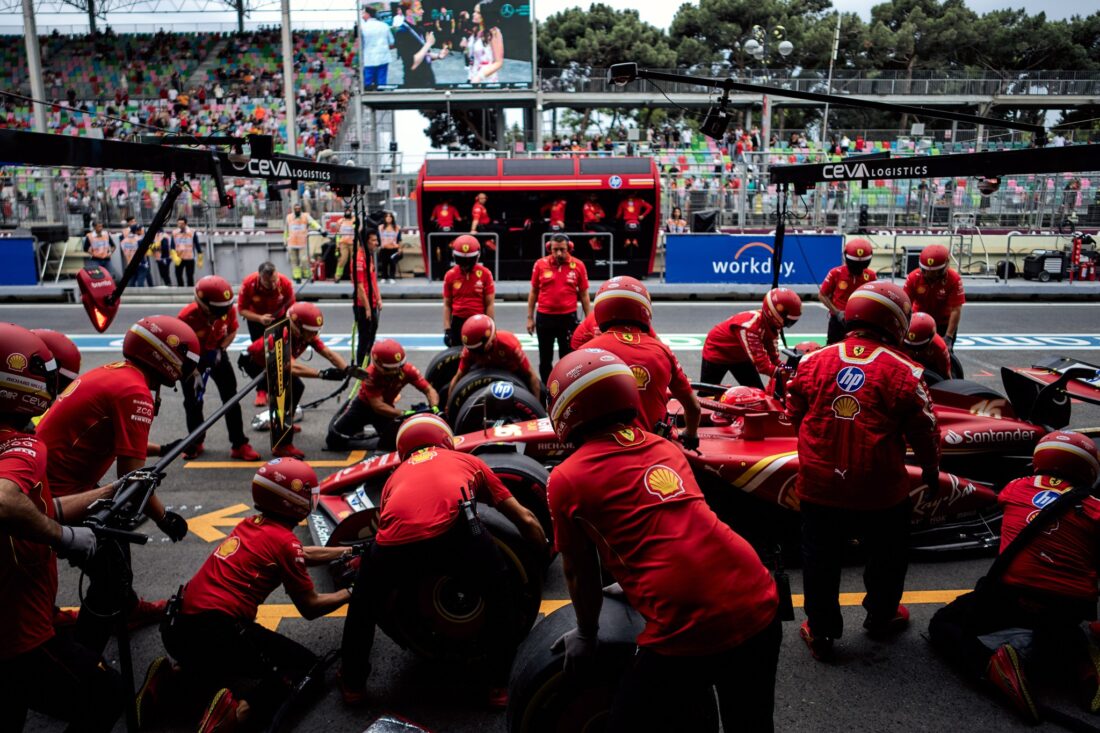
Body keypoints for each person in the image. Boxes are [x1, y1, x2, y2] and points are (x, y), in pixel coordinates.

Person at [545, 349, 781, 732]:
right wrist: (634, 579)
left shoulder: (567, 478)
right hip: (757, 593)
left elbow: (578, 569)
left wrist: (587, 634)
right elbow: (670, 523)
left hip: (686, 623)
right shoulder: (664, 447)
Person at [340, 413, 546, 707]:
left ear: (402, 449)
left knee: (362, 608)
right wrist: (539, 556)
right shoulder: (470, 462)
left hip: (396, 545)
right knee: (502, 597)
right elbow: (524, 518)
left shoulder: (393, 479)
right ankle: (498, 686)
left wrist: (369, 571)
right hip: (456, 536)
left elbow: (389, 526)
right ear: (446, 440)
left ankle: (352, 684)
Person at [787, 281, 940, 663]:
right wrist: (932, 472)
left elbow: (795, 415)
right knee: (888, 555)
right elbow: (925, 432)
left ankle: (821, 631)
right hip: (880, 488)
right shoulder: (907, 370)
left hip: (819, 484)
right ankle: (882, 615)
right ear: (897, 322)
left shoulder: (811, 361)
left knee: (819, 557)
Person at [145, 458, 352, 733]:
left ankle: (169, 680)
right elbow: (310, 607)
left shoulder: (251, 524)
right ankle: (234, 715)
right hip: (216, 632)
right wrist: (352, 591)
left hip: (177, 626)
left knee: (221, 662)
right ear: (292, 502)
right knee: (306, 669)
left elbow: (299, 553)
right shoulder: (285, 543)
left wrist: (348, 551)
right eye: (308, 495)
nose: (311, 501)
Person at [37, 315, 202, 656]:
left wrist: (164, 448)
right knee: (110, 577)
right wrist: (164, 518)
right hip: (58, 493)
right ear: (167, 358)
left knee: (115, 544)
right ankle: (85, 660)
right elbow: (133, 483)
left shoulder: (118, 372)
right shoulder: (135, 392)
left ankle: (128, 610)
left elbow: (115, 439)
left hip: (60, 478)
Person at [0, 324, 127, 733]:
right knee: (106, 695)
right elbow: (5, 501)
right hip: (20, 634)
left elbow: (36, 507)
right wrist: (65, 538)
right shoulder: (21, 446)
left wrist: (109, 491)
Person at [928, 431, 1100, 724]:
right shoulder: (1095, 508)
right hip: (1067, 606)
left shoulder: (1014, 488)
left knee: (942, 624)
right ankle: (1082, 662)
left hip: (1011, 596)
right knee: (1060, 629)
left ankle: (991, 664)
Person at [585, 276, 700, 446]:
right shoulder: (663, 351)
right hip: (654, 450)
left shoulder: (586, 352)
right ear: (644, 308)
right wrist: (690, 435)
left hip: (602, 450)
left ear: (601, 309)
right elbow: (693, 408)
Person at [238, 302, 348, 459]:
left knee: (297, 388)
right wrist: (323, 374)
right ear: (297, 327)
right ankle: (281, 445)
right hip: (255, 364)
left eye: (315, 332)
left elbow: (328, 353)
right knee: (283, 393)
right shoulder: (278, 336)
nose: (313, 336)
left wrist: (347, 369)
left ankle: (284, 422)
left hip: (278, 363)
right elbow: (292, 368)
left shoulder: (305, 333)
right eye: (310, 332)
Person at [177, 276, 261, 461]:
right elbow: (178, 349)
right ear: (201, 303)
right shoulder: (186, 317)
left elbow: (232, 330)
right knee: (193, 402)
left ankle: (239, 444)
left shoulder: (227, 310)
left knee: (231, 398)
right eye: (214, 312)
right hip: (192, 361)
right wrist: (194, 371)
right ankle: (195, 442)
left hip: (216, 355)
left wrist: (221, 348)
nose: (218, 315)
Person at [327, 339, 439, 451]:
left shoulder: (407, 370)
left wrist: (434, 408)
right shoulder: (370, 375)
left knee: (397, 443)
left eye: (398, 368)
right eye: (390, 369)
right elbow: (378, 407)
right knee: (333, 441)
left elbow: (429, 389)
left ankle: (378, 440)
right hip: (364, 407)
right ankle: (360, 432)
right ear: (378, 364)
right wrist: (404, 414)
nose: (395, 372)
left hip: (386, 409)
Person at [700, 288, 803, 389]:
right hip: (717, 352)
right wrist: (784, 374)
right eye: (788, 321)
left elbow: (774, 360)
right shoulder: (750, 327)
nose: (787, 325)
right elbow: (763, 366)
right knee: (706, 395)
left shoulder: (774, 327)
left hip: (741, 355)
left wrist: (789, 369)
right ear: (773, 313)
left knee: (758, 393)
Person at [526, 234, 591, 384]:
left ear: (569, 248)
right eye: (555, 250)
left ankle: (565, 388)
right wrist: (530, 317)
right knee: (545, 359)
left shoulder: (578, 265)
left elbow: (584, 295)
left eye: (562, 249)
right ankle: (547, 389)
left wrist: (588, 320)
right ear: (550, 248)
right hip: (544, 318)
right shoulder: (540, 264)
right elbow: (534, 291)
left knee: (567, 357)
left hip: (568, 318)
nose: (559, 253)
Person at [238, 262, 296, 406]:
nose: (273, 284)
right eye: (268, 282)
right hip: (257, 321)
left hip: (279, 319)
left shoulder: (285, 283)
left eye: (275, 280)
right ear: (260, 278)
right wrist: (259, 318)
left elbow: (292, 308)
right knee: (260, 357)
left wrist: (286, 325)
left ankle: (280, 387)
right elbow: (242, 310)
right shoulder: (248, 284)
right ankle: (261, 390)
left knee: (280, 355)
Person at [450, 314, 541, 400]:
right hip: (483, 369)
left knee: (542, 391)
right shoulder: (468, 351)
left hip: (511, 371)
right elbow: (458, 377)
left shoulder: (509, 345)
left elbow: (531, 375)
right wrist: (448, 406)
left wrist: (536, 405)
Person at [904, 243, 965, 348]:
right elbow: (905, 304)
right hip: (919, 322)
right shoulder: (913, 277)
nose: (930, 276)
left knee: (945, 355)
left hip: (943, 324)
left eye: (937, 272)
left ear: (947, 264)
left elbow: (956, 309)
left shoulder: (954, 279)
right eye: (926, 271)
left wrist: (949, 336)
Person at [819, 238, 876, 344]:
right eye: (854, 265)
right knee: (832, 349)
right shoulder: (835, 273)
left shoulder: (871, 276)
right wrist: (837, 312)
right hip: (838, 321)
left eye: (861, 266)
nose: (857, 269)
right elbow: (822, 295)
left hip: (861, 323)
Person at [443, 234, 495, 348]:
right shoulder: (450, 275)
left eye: (468, 261)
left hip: (478, 322)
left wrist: (491, 327)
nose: (465, 266)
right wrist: (447, 329)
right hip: (457, 323)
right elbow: (447, 305)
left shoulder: (485, 274)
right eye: (462, 261)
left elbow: (489, 304)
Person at [393, 0, 447, 88]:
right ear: (409, 12)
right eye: (419, 9)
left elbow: (424, 54)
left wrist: (438, 56)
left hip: (428, 79)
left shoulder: (419, 28)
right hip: (415, 83)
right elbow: (413, 64)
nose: (423, 11)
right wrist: (428, 44)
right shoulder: (402, 33)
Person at [353, 229, 383, 367]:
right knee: (364, 338)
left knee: (371, 337)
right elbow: (359, 286)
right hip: (362, 305)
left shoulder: (368, 256)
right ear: (365, 242)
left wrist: (379, 298)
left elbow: (372, 280)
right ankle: (361, 367)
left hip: (372, 303)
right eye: (373, 240)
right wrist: (367, 309)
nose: (376, 243)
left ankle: (367, 366)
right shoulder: (358, 259)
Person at [902, 312, 952, 381]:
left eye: (919, 348)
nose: (915, 352)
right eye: (910, 347)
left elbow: (946, 375)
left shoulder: (939, 347)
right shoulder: (900, 340)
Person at [467, 0, 504, 83]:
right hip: (473, 77)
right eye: (474, 12)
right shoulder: (476, 31)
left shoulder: (494, 32)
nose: (474, 14)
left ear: (485, 15)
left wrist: (480, 77)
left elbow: (499, 62)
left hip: (486, 81)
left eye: (478, 12)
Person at [284, 202, 321, 283]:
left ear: (301, 209)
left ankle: (308, 275)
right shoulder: (289, 217)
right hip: (291, 243)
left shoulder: (305, 216)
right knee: (294, 261)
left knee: (304, 260)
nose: (297, 210)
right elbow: (286, 231)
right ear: (293, 209)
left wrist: (320, 229)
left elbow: (313, 223)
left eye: (298, 208)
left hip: (302, 243)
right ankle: (297, 277)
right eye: (296, 208)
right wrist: (285, 242)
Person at [361, 4, 393, 90]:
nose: (362, 15)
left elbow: (361, 44)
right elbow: (392, 42)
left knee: (367, 84)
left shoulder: (363, 27)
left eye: (363, 13)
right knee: (381, 84)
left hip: (368, 59)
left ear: (368, 14)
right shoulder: (384, 26)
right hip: (383, 57)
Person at [119, 216, 153, 287]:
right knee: (138, 280)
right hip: (139, 260)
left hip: (134, 260)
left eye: (135, 221)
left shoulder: (124, 240)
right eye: (132, 221)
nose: (134, 222)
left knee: (136, 279)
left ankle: (151, 286)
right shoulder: (137, 238)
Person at [171, 216, 203, 287]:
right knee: (178, 275)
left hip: (189, 258)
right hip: (179, 258)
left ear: (185, 224)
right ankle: (181, 289)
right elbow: (172, 246)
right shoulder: (174, 232)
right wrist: (174, 256)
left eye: (181, 224)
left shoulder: (192, 232)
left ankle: (190, 290)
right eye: (178, 224)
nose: (179, 225)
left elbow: (197, 244)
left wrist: (200, 257)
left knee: (190, 275)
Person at [378, 210, 402, 284]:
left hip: (393, 248)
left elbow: (399, 239)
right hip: (384, 248)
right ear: (384, 218)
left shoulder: (397, 227)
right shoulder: (381, 227)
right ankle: (384, 277)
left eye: (390, 217)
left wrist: (400, 248)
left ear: (392, 218)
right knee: (384, 263)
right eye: (387, 217)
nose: (388, 218)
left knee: (392, 262)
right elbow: (378, 237)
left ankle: (392, 277)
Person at [333, 207, 356, 282]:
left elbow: (358, 230)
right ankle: (337, 275)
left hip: (353, 243)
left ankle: (354, 276)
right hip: (343, 243)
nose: (348, 212)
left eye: (349, 210)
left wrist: (355, 225)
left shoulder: (355, 220)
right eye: (346, 210)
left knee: (354, 261)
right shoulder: (340, 221)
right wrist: (337, 246)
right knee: (342, 259)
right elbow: (337, 234)